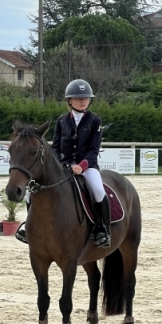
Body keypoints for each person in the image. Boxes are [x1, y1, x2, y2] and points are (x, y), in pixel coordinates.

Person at [52, 79, 110, 247]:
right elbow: (55, 147)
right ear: (69, 100)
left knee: (98, 190)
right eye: (78, 98)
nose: (82, 100)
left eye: (86, 97)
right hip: (64, 167)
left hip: (87, 167)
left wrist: (81, 166)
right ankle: (29, 227)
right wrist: (62, 164)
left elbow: (93, 149)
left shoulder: (95, 121)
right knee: (33, 189)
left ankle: (103, 229)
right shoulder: (61, 121)